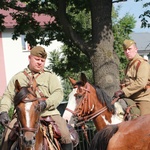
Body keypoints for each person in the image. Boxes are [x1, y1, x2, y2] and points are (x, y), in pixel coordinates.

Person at [0, 46, 73, 150]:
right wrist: (3, 111)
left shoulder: (50, 76)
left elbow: (58, 93)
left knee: (66, 134)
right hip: (23, 115)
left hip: (48, 113)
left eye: (42, 61)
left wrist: (46, 103)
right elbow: (7, 95)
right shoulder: (18, 77)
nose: (40, 63)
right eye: (37, 59)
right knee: (7, 136)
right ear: (30, 58)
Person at [114, 39, 150, 118]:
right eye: (125, 50)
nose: (127, 52)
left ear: (136, 49)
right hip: (130, 98)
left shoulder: (142, 64)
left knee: (143, 123)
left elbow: (141, 83)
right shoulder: (129, 65)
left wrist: (124, 91)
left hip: (143, 99)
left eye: (129, 49)